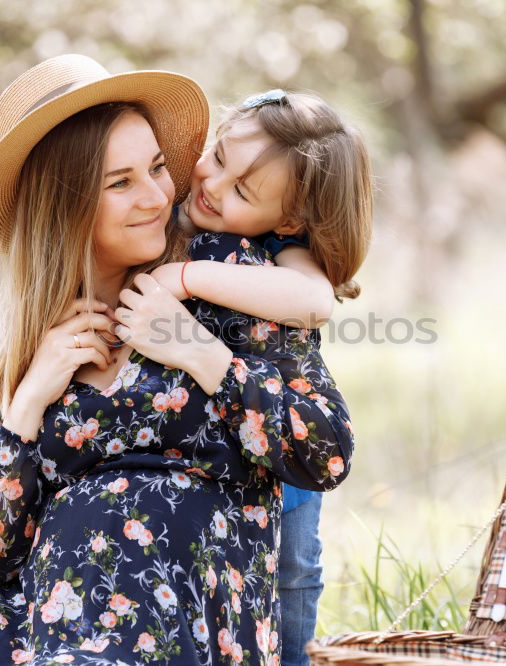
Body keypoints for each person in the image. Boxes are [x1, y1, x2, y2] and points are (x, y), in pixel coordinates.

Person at [0, 54, 353, 666]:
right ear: (61, 209)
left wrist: (199, 352)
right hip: (38, 628)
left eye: (159, 168)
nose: (159, 197)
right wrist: (28, 405)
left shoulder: (227, 282)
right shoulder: (12, 346)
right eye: (121, 183)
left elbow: (324, 452)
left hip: (183, 626)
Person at [144, 89, 373, 665]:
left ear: (290, 217)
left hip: (288, 463)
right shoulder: (164, 205)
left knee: (293, 572)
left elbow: (314, 300)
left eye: (243, 191)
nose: (212, 186)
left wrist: (192, 276)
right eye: (218, 158)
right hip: (209, 463)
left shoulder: (285, 252)